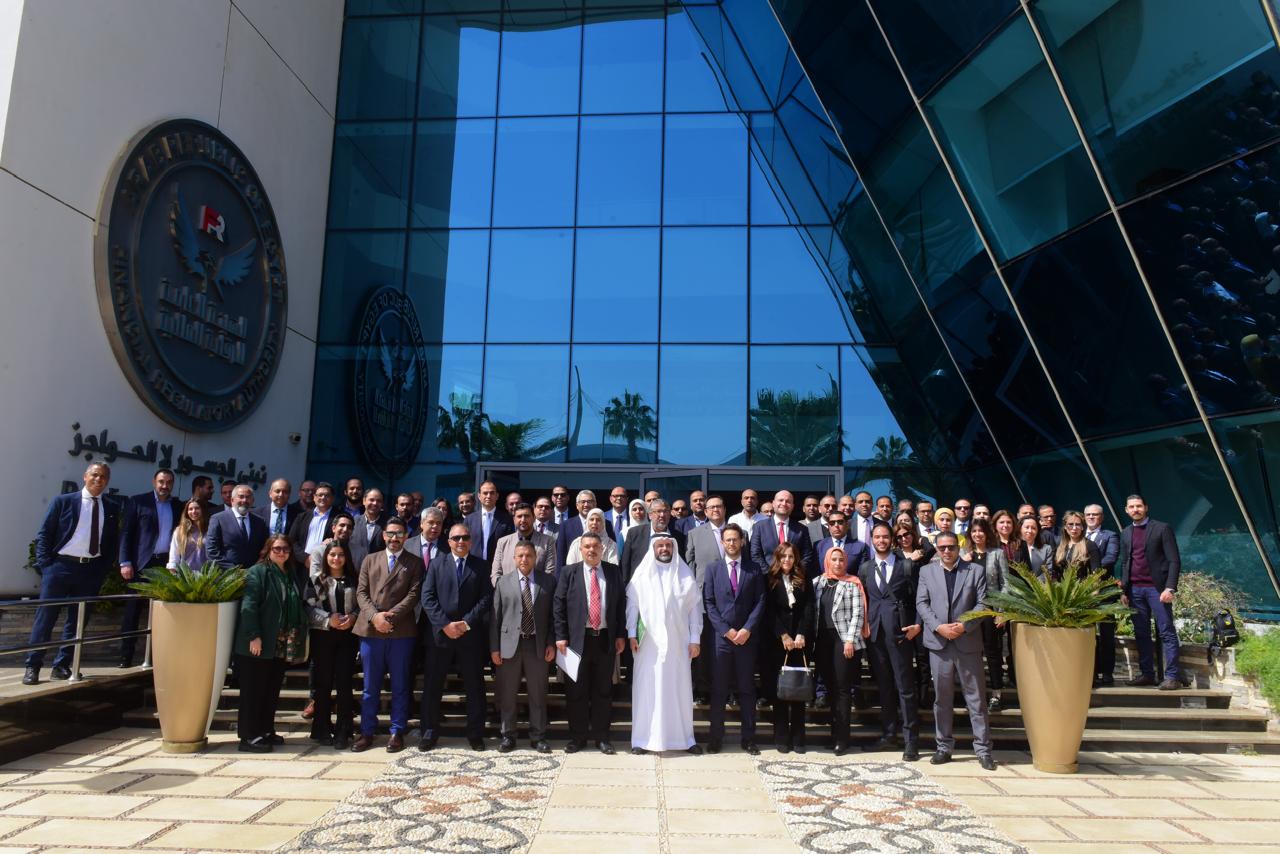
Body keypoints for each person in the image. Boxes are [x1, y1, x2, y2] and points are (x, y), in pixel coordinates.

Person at [24, 463, 122, 685]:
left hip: (90, 570)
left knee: (77, 621)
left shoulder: (111, 507)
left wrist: (103, 568)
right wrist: (46, 565)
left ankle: (61, 665)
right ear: (85, 476)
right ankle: (33, 666)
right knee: (46, 618)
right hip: (60, 568)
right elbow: (45, 534)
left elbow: (111, 541)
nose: (98, 479)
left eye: (103, 476)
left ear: (107, 481)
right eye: (95, 475)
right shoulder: (64, 501)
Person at [916, 531, 995, 770]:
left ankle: (983, 750)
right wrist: (939, 627)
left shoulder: (975, 571)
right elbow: (922, 603)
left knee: (976, 699)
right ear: (937, 549)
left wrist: (964, 625)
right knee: (942, 699)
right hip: (939, 644)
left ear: (958, 547)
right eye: (942, 548)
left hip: (967, 642)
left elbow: (983, 602)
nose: (947, 551)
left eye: (951, 547)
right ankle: (943, 747)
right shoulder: (926, 571)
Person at [627, 534, 703, 755]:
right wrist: (631, 634)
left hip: (678, 645)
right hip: (647, 646)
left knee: (679, 690)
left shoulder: (685, 575)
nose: (664, 548)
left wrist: (695, 639)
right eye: (660, 545)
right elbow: (632, 607)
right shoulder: (642, 575)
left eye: (668, 545)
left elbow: (695, 610)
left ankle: (684, 739)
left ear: (673, 547)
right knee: (647, 690)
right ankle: (642, 740)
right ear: (653, 548)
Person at [353, 517, 423, 753]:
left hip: (400, 630)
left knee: (400, 684)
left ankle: (396, 731)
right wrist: (375, 617)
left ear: (406, 536)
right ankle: (367, 731)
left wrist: (390, 617)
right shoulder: (370, 560)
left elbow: (413, 595)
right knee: (370, 686)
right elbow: (361, 593)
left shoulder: (414, 562)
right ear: (383, 535)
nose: (394, 538)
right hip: (371, 630)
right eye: (391, 533)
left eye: (399, 534)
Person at [232, 534, 309, 752]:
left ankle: (265, 730)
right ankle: (248, 737)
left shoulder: (289, 573)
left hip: (280, 644)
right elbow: (249, 606)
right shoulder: (257, 572)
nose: (282, 552)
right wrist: (253, 635)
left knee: (270, 690)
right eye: (277, 549)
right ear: (268, 550)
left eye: (286, 549)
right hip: (258, 643)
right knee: (253, 691)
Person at [420, 522, 493, 750]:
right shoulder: (436, 564)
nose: (461, 542)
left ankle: (475, 733)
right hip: (440, 637)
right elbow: (427, 597)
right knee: (433, 685)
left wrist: (465, 623)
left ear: (471, 541)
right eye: (456, 538)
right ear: (449, 541)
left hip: (470, 636)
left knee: (475, 686)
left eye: (465, 538)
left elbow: (486, 598)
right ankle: (429, 732)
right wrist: (445, 624)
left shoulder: (481, 566)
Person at [554, 531, 626, 754]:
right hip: (576, 642)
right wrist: (560, 635)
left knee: (603, 691)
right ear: (581, 549)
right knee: (576, 692)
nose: (592, 550)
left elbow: (620, 606)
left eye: (595, 546)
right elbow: (558, 605)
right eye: (587, 546)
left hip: (604, 640)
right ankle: (578, 738)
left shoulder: (613, 572)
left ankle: (602, 737)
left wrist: (620, 635)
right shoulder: (569, 572)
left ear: (602, 549)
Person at [858, 522, 921, 761]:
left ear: (892, 539)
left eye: (885, 537)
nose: (881, 540)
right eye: (877, 537)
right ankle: (888, 734)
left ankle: (911, 741)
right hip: (875, 635)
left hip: (901, 633)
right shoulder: (865, 568)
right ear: (872, 540)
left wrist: (917, 625)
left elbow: (919, 597)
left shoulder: (906, 566)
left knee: (905, 688)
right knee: (884, 687)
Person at [703, 523, 764, 755]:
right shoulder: (713, 569)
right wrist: (725, 630)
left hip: (747, 640)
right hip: (722, 640)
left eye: (735, 539)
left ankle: (748, 738)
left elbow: (760, 601)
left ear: (742, 541)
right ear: (722, 542)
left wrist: (747, 629)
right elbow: (709, 603)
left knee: (747, 689)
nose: (731, 543)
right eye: (727, 539)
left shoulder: (754, 569)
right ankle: (715, 737)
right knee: (719, 690)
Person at [490, 541, 555, 753]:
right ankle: (508, 736)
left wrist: (551, 643)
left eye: (528, 555)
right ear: (514, 558)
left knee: (538, 694)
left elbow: (553, 616)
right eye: (520, 556)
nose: (524, 559)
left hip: (537, 644)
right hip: (510, 646)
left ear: (535, 557)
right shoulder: (503, 582)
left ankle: (538, 736)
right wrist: (495, 648)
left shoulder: (548, 581)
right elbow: (495, 617)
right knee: (508, 694)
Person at [118, 468, 182, 667]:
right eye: (161, 481)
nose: (165, 486)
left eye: (169, 482)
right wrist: (125, 562)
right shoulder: (138, 501)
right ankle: (126, 656)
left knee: (162, 612)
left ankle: (155, 656)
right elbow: (126, 533)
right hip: (140, 564)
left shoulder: (177, 506)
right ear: (154, 482)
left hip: (165, 566)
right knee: (133, 610)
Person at [1118, 495, 1183, 690]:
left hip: (1157, 590)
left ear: (1146, 507)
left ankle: (1172, 677)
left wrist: (1170, 587)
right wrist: (1124, 590)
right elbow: (1125, 562)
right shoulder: (1126, 532)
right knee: (1141, 633)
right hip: (1134, 590)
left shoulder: (1162, 528)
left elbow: (1174, 560)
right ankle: (1147, 674)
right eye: (1131, 507)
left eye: (1139, 506)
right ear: (1126, 510)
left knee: (1166, 632)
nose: (1135, 509)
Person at [810, 546, 865, 755]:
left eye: (841, 560)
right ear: (827, 561)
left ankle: (843, 739)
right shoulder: (818, 582)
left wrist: (850, 640)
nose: (838, 563)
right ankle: (834, 734)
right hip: (822, 641)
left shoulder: (852, 583)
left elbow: (858, 614)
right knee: (830, 688)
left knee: (842, 689)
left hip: (843, 641)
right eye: (834, 559)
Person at [305, 541, 358, 749]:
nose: (336, 559)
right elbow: (308, 608)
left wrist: (353, 618)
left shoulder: (354, 579)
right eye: (332, 554)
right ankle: (322, 729)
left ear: (346, 557)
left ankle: (344, 730)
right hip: (323, 636)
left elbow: (362, 604)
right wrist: (328, 619)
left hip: (347, 637)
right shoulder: (317, 580)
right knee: (323, 683)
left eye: (340, 555)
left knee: (344, 683)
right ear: (326, 557)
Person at [765, 541, 813, 753]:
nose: (787, 560)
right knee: (781, 691)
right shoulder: (769, 579)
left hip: (800, 642)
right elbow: (769, 610)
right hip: (777, 642)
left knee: (798, 690)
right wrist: (783, 635)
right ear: (778, 557)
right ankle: (782, 737)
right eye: (783, 556)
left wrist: (801, 632)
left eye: (791, 556)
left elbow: (809, 607)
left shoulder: (803, 577)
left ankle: (799, 738)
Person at [683, 494, 727, 703]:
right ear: (706, 511)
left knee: (728, 647)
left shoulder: (738, 532)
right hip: (703, 599)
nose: (715, 510)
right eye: (711, 507)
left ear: (724, 509)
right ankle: (702, 689)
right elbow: (689, 566)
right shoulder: (694, 534)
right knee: (703, 645)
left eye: (719, 506)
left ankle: (728, 689)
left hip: (731, 599)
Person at [965, 519, 1010, 708]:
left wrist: (1002, 611)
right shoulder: (964, 555)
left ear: (987, 534)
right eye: (974, 531)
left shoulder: (997, 553)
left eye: (981, 531)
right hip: (969, 612)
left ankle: (996, 693)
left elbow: (1006, 583)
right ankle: (975, 695)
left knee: (993, 652)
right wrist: (962, 561)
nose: (977, 534)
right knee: (971, 653)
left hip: (991, 610)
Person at [1084, 503, 1121, 686]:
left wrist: (1092, 573)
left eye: (1095, 514)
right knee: (1085, 633)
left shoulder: (1110, 536)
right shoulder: (1077, 536)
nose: (1091, 517)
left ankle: (1107, 672)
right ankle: (1089, 672)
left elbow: (1111, 558)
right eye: (1088, 514)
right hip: (1081, 593)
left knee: (1106, 633)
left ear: (1102, 517)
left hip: (1104, 591)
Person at [750, 490, 817, 579]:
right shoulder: (759, 527)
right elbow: (755, 554)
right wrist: (769, 574)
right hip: (767, 580)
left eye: (788, 501)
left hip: (794, 579)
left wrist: (795, 573)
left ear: (792, 506)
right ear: (773, 503)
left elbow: (807, 555)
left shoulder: (802, 529)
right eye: (780, 500)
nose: (784, 503)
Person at [619, 498, 685, 582]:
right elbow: (625, 564)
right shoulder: (634, 533)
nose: (662, 515)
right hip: (639, 585)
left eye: (665, 511)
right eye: (658, 511)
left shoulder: (678, 537)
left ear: (670, 514)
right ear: (650, 515)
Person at [206, 484, 268, 569]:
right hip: (227, 574)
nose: (244, 500)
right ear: (232, 500)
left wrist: (254, 569)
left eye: (248, 497)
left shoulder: (260, 522)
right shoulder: (218, 519)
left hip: (252, 574)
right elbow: (211, 551)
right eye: (241, 497)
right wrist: (234, 570)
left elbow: (264, 549)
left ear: (252, 501)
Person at [492, 502, 557, 582]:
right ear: (514, 519)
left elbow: (550, 573)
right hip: (507, 589)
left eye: (526, 516)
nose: (523, 520)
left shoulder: (547, 541)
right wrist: (504, 588)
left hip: (538, 589)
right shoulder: (502, 543)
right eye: (519, 516)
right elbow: (496, 573)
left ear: (534, 518)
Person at [555, 489, 613, 567]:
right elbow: (560, 556)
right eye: (583, 502)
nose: (586, 505)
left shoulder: (606, 524)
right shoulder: (566, 525)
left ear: (595, 504)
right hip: (575, 571)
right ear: (577, 505)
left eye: (589, 501)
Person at [815, 510, 871, 584]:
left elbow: (862, 573)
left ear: (847, 525)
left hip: (851, 587)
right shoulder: (819, 545)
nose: (836, 525)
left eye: (840, 522)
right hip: (825, 587)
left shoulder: (860, 546)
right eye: (832, 523)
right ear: (828, 526)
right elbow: (816, 571)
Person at [288, 482, 334, 565]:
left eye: (327, 495)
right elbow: (292, 540)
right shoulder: (302, 517)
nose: (323, 498)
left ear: (332, 498)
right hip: (302, 564)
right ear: (314, 497)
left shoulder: (338, 517)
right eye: (320, 495)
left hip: (326, 564)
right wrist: (305, 558)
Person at [1052, 510, 1102, 580]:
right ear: (1065, 527)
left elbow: (1096, 574)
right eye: (1071, 524)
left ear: (1082, 527)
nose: (1074, 528)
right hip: (1062, 586)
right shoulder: (1059, 545)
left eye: (1078, 524)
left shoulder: (1090, 545)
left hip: (1083, 586)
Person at [308, 512, 354, 582]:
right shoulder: (320, 551)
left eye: (349, 527)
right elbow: (314, 579)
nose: (345, 529)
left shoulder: (355, 552)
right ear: (333, 528)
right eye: (342, 525)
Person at [349, 488, 386, 570]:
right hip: (354, 570)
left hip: (378, 570)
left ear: (382, 504)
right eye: (371, 500)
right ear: (364, 501)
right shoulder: (353, 522)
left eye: (379, 501)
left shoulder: (388, 524)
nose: (375, 503)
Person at [167, 498, 208, 570]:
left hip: (206, 574)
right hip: (185, 574)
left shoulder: (210, 529)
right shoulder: (180, 530)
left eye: (197, 508)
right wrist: (173, 571)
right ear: (187, 512)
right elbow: (174, 556)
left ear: (203, 510)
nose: (193, 511)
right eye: (190, 509)